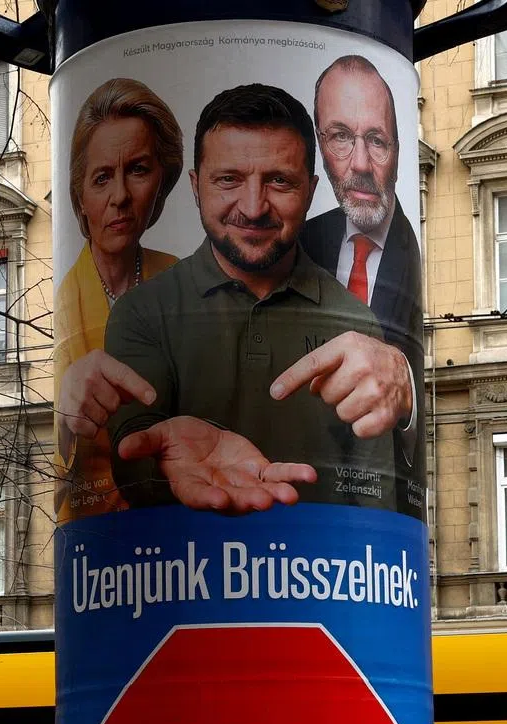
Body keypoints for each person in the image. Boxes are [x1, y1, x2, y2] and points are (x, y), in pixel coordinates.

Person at [106, 83, 416, 514]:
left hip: (318, 577)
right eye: (229, 179)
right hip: (183, 573)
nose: (253, 208)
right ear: (196, 187)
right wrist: (162, 462)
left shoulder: (356, 325)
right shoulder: (139, 313)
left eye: (279, 182)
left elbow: (376, 502)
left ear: (310, 191)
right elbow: (129, 461)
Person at [54, 78, 183, 522]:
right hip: (102, 555)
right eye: (102, 177)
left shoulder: (184, 280)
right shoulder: (62, 302)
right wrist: (64, 413)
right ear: (80, 195)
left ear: (162, 181)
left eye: (139, 170)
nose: (121, 197)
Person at [303, 55, 426, 505]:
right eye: (340, 137)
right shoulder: (301, 241)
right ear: (319, 142)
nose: (358, 163)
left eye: (376, 141)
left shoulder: (413, 251)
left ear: (397, 150)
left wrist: (406, 390)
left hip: (383, 506)